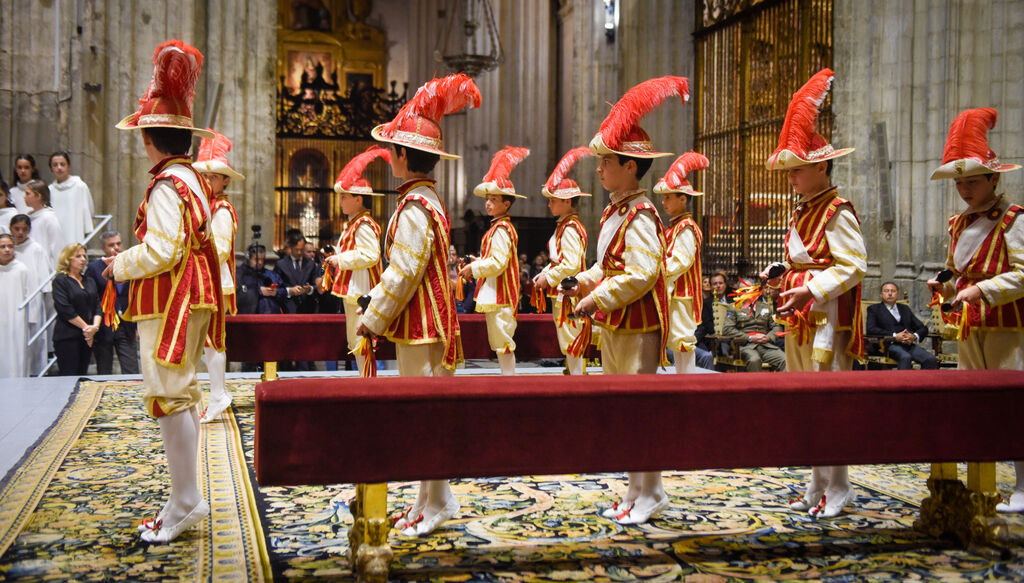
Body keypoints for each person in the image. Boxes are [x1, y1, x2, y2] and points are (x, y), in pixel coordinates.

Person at [103, 40, 222, 543]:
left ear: (149, 137)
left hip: (172, 299)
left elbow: (163, 250)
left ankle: (186, 499)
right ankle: (183, 495)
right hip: (190, 295)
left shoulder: (166, 185)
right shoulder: (191, 178)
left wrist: (119, 265)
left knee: (170, 397)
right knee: (181, 395)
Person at [357, 72, 479, 537]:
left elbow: (404, 272)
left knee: (424, 416)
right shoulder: (428, 200)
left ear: (404, 156)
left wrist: (372, 318)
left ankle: (434, 502)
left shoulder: (414, 207)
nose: (390, 156)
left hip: (423, 326)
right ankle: (433, 498)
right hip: (430, 322)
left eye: (393, 150)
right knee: (426, 414)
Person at [567, 76, 688, 525]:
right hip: (618, 322)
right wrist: (583, 281)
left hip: (639, 325)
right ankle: (635, 490)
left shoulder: (641, 215)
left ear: (631, 167)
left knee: (640, 412)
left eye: (606, 163)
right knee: (625, 411)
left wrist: (595, 296)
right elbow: (610, 264)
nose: (598, 170)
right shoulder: (617, 211)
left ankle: (651, 491)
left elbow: (640, 274)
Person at [762, 68, 866, 519]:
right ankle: (817, 482)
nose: (789, 178)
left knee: (831, 404)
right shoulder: (803, 211)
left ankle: (839, 485)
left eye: (796, 170)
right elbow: (808, 261)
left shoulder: (837, 211)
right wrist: (781, 274)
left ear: (821, 166)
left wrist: (810, 289)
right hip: (800, 318)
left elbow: (853, 265)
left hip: (828, 320)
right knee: (807, 403)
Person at [926, 107, 1024, 513]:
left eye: (972, 181)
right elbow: (958, 266)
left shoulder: (1013, 220)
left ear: (994, 178)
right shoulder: (957, 223)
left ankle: (1023, 484)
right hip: (969, 324)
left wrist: (983, 289)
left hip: (1006, 324)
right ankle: (981, 475)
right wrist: (945, 282)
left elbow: (1023, 274)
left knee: (1013, 403)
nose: (964, 189)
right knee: (974, 401)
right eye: (959, 182)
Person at [460, 146, 529, 376]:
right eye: (487, 199)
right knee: (500, 341)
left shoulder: (501, 229)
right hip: (497, 292)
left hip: (501, 294)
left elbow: (498, 263)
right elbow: (495, 259)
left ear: (506, 203)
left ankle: (509, 381)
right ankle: (506, 379)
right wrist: (477, 261)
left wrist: (474, 267)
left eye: (494, 199)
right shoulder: (498, 227)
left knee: (503, 341)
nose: (488, 204)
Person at [193, 129, 244, 422]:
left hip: (215, 281)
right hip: (205, 279)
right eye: (205, 176)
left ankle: (218, 394)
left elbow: (221, 249)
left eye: (214, 177)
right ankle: (215, 392)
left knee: (213, 340)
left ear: (224, 180)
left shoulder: (222, 209)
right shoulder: (207, 206)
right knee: (205, 341)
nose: (208, 181)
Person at [327, 146, 387, 375]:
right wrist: (337, 255)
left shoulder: (363, 224)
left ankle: (367, 384)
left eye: (345, 196)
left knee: (361, 342)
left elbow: (371, 255)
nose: (340, 201)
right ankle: (363, 382)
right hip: (352, 288)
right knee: (355, 342)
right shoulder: (354, 223)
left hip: (360, 288)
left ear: (359, 198)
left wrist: (340, 259)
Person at [534, 146, 592, 376]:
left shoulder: (570, 228)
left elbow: (570, 264)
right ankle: (574, 379)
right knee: (568, 341)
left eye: (554, 200)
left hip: (569, 290)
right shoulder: (563, 227)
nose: (549, 204)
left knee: (573, 340)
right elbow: (559, 261)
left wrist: (548, 277)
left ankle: (578, 383)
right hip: (562, 289)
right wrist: (544, 274)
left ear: (568, 202)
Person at [654, 151, 710, 374]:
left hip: (682, 291)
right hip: (673, 289)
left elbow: (681, 261)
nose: (664, 201)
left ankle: (687, 383)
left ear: (683, 198)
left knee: (683, 340)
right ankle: (682, 382)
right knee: (676, 340)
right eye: (664, 197)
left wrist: (658, 272)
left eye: (669, 197)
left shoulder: (686, 227)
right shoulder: (675, 226)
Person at [84, 231, 140, 375]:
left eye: (118, 243)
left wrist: (138, 324)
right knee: (104, 369)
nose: (116, 247)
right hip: (104, 325)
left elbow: (136, 294)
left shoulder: (131, 264)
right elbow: (92, 297)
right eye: (111, 245)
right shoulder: (94, 268)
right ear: (103, 248)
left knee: (131, 368)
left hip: (127, 324)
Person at [10, 214, 52, 375]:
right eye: (17, 229)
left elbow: (44, 278)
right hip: (11, 298)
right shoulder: (8, 248)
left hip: (32, 298)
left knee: (34, 336)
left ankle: (35, 371)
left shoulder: (36, 249)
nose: (20, 232)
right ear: (10, 228)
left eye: (24, 229)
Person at [52, 243, 101, 376]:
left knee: (83, 375)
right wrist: (87, 329)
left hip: (87, 336)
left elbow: (97, 305)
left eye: (84, 256)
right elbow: (65, 309)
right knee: (69, 376)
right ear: (68, 259)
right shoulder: (61, 280)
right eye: (78, 256)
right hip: (68, 337)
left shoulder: (89, 281)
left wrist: (94, 328)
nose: (83, 259)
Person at [865, 282, 937, 369]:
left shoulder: (904, 309)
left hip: (908, 345)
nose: (890, 293)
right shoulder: (874, 309)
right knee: (905, 357)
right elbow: (871, 329)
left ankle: (925, 382)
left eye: (893, 291)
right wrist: (894, 336)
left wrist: (914, 336)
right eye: (886, 291)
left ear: (897, 294)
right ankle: (902, 382)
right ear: (881, 294)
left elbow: (922, 328)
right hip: (887, 346)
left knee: (930, 359)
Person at [0, 233, 36, 377]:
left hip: (17, 318)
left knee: (16, 352)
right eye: (2, 247)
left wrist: (31, 319)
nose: (7, 250)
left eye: (10, 246)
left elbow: (31, 296)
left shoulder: (21, 269)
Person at [722, 297, 787, 371]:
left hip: (765, 345)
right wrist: (750, 338)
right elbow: (727, 329)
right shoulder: (734, 307)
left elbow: (777, 327)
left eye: (750, 290)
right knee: (754, 360)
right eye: (743, 291)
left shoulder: (765, 307)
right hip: (746, 345)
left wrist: (769, 337)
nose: (747, 292)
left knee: (784, 359)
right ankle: (757, 383)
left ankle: (783, 383)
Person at [48, 152, 95, 244]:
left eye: (62, 164)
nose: (59, 168)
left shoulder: (79, 186)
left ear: (68, 166)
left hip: (75, 231)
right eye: (55, 165)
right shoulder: (50, 189)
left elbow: (89, 210)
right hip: (56, 235)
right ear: (51, 168)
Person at [235, 241, 286, 316]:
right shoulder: (240, 274)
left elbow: (284, 292)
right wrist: (258, 291)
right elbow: (238, 294)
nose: (260, 262)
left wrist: (276, 292)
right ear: (248, 258)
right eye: (256, 259)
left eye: (262, 259)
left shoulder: (271, 275)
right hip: (250, 317)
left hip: (272, 316)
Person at [22, 180, 67, 264]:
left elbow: (57, 246)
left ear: (38, 196)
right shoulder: (28, 217)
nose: (24, 197)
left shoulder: (49, 218)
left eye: (28, 194)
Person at [274, 229, 316, 314]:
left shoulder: (310, 264)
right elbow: (275, 289)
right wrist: (289, 291)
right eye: (296, 249)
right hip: (288, 308)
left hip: (307, 308)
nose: (299, 252)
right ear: (290, 247)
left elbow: (316, 286)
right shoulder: (281, 264)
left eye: (301, 249)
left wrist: (310, 289)